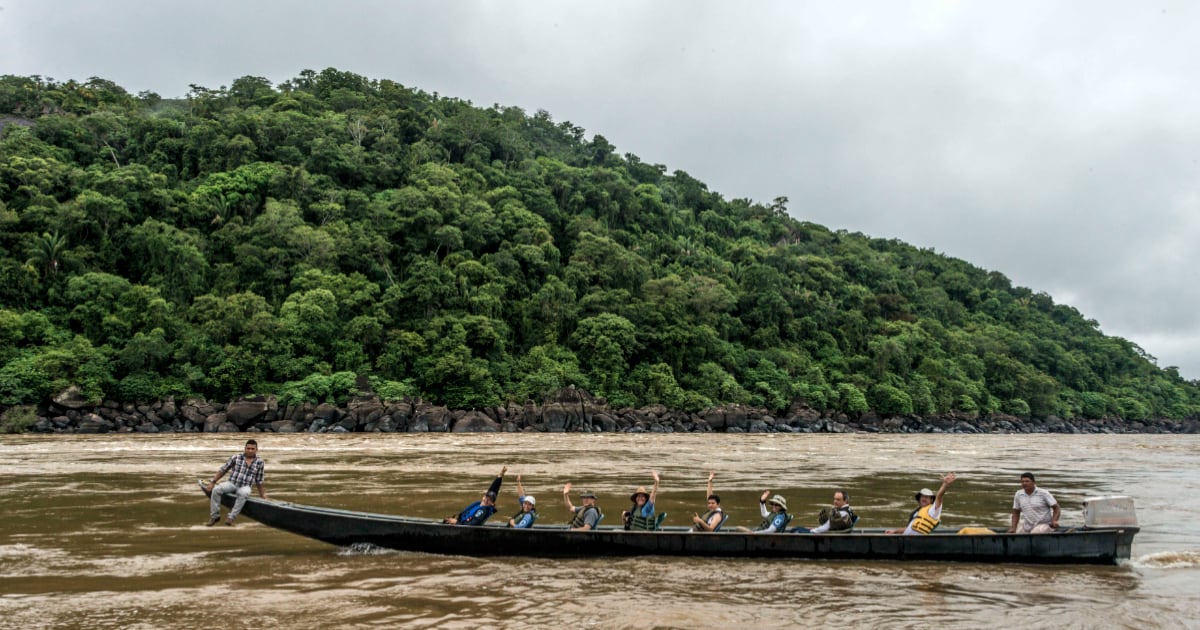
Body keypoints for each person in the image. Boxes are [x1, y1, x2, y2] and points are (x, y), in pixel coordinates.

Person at [205, 439, 267, 526]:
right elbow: (223, 470)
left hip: (245, 486)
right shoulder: (236, 457)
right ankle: (215, 516)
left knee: (243, 494)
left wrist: (262, 495)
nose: (250, 450)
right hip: (232, 483)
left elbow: (259, 480)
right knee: (216, 490)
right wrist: (213, 482)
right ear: (245, 449)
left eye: (252, 449)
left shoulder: (260, 462)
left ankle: (231, 517)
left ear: (256, 450)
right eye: (248, 448)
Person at [887, 472, 957, 535]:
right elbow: (910, 528)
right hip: (906, 539)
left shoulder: (933, 510)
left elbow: (939, 496)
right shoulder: (918, 512)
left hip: (917, 542)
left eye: (927, 497)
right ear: (919, 498)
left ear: (931, 499)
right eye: (923, 497)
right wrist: (895, 531)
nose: (924, 499)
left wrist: (945, 484)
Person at [791, 490, 857, 533]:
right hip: (832, 531)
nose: (835, 501)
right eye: (834, 499)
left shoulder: (842, 513)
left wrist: (812, 530)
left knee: (795, 529)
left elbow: (825, 528)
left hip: (821, 534)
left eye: (838, 500)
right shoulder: (848, 509)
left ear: (845, 501)